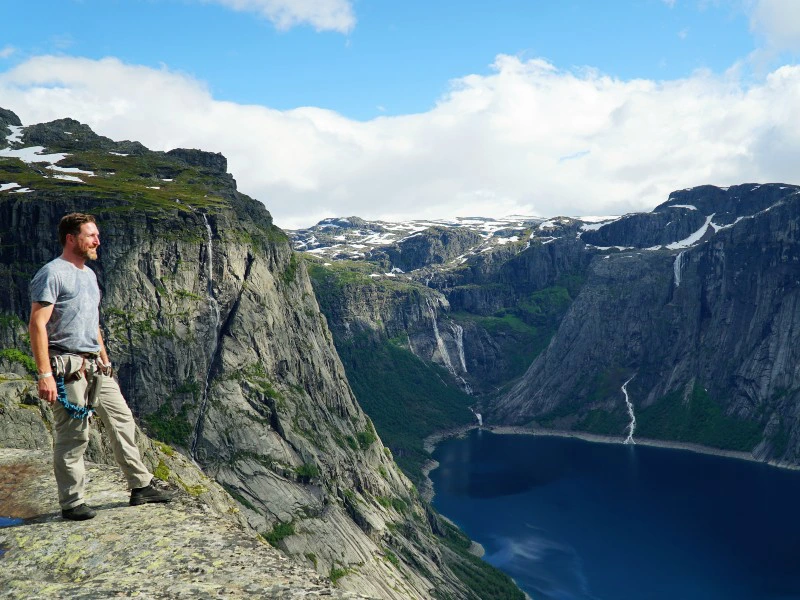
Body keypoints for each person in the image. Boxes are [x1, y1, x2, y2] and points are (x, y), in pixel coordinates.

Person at [29, 212, 173, 521]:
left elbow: (93, 324)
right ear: (71, 239)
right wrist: (44, 375)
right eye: (91, 235)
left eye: (97, 235)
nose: (98, 240)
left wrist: (105, 360)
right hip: (67, 366)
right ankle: (72, 502)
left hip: (95, 365)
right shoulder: (51, 274)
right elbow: (37, 325)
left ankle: (141, 486)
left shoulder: (90, 276)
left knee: (122, 421)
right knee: (74, 435)